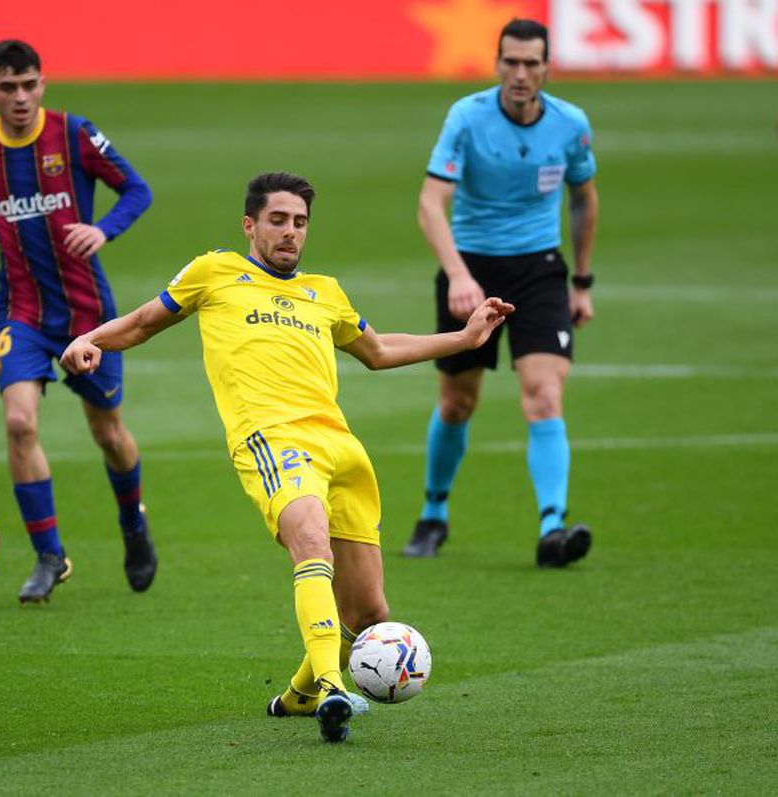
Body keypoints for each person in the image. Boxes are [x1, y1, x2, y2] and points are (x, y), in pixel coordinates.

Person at [60, 172, 513, 742]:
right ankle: (331, 687)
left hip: (342, 448)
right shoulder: (215, 271)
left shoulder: (325, 291)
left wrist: (464, 339)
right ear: (250, 224)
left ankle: (300, 695)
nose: (290, 232)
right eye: (278, 220)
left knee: (369, 611)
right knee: (310, 540)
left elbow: (376, 350)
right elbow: (144, 322)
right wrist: (91, 340)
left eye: (300, 222)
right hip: (271, 440)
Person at [0, 39, 155, 604]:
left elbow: (138, 188)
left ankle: (133, 522)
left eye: (29, 84)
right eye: (7, 87)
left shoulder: (74, 135)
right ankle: (49, 555)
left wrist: (103, 229)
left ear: (43, 84)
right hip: (21, 313)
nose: (20, 96)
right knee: (19, 424)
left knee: (108, 432)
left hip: (89, 315)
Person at [404, 18, 600, 567]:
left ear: (546, 68)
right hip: (470, 267)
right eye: (509, 62)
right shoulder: (467, 118)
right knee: (457, 401)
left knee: (544, 394)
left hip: (539, 271)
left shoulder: (570, 124)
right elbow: (429, 203)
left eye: (530, 63)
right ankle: (433, 513)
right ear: (497, 65)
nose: (519, 73)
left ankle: (552, 529)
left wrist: (581, 282)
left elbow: (584, 199)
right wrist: (459, 274)